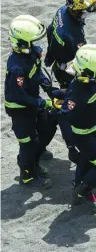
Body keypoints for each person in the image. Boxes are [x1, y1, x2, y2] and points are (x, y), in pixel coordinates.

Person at [44, 0, 96, 162]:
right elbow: (83, 58)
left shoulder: (61, 12)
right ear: (75, 10)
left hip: (59, 63)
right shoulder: (72, 35)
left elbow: (49, 30)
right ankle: (71, 146)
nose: (85, 16)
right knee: (69, 108)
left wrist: (49, 56)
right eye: (83, 12)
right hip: (68, 70)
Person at [4, 15, 57, 188]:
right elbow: (18, 95)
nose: (34, 44)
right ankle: (27, 175)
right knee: (28, 143)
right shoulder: (16, 67)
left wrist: (48, 88)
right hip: (20, 108)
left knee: (47, 127)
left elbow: (37, 72)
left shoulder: (31, 54)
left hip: (33, 102)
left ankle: (35, 159)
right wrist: (40, 103)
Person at [61, 44, 96, 211]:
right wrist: (71, 144)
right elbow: (66, 114)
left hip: (92, 131)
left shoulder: (92, 83)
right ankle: (82, 191)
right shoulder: (77, 93)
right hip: (83, 136)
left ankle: (79, 185)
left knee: (86, 160)